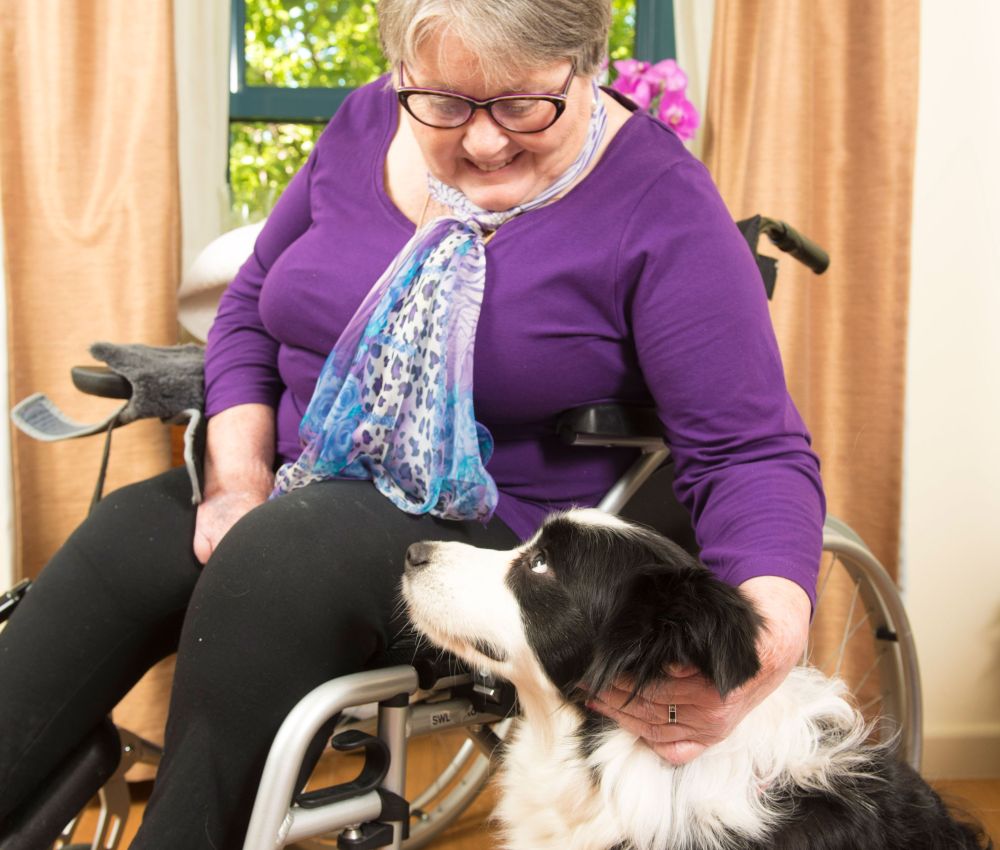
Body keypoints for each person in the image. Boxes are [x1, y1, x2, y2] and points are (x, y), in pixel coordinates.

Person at [0, 0, 824, 847]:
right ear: (401, 75)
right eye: (445, 102)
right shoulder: (364, 121)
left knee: (278, 558)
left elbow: (750, 451)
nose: (483, 140)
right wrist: (237, 480)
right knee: (120, 545)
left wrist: (758, 651)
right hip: (294, 476)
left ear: (588, 65)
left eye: (521, 104)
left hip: (485, 528)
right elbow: (249, 305)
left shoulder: (659, 199)